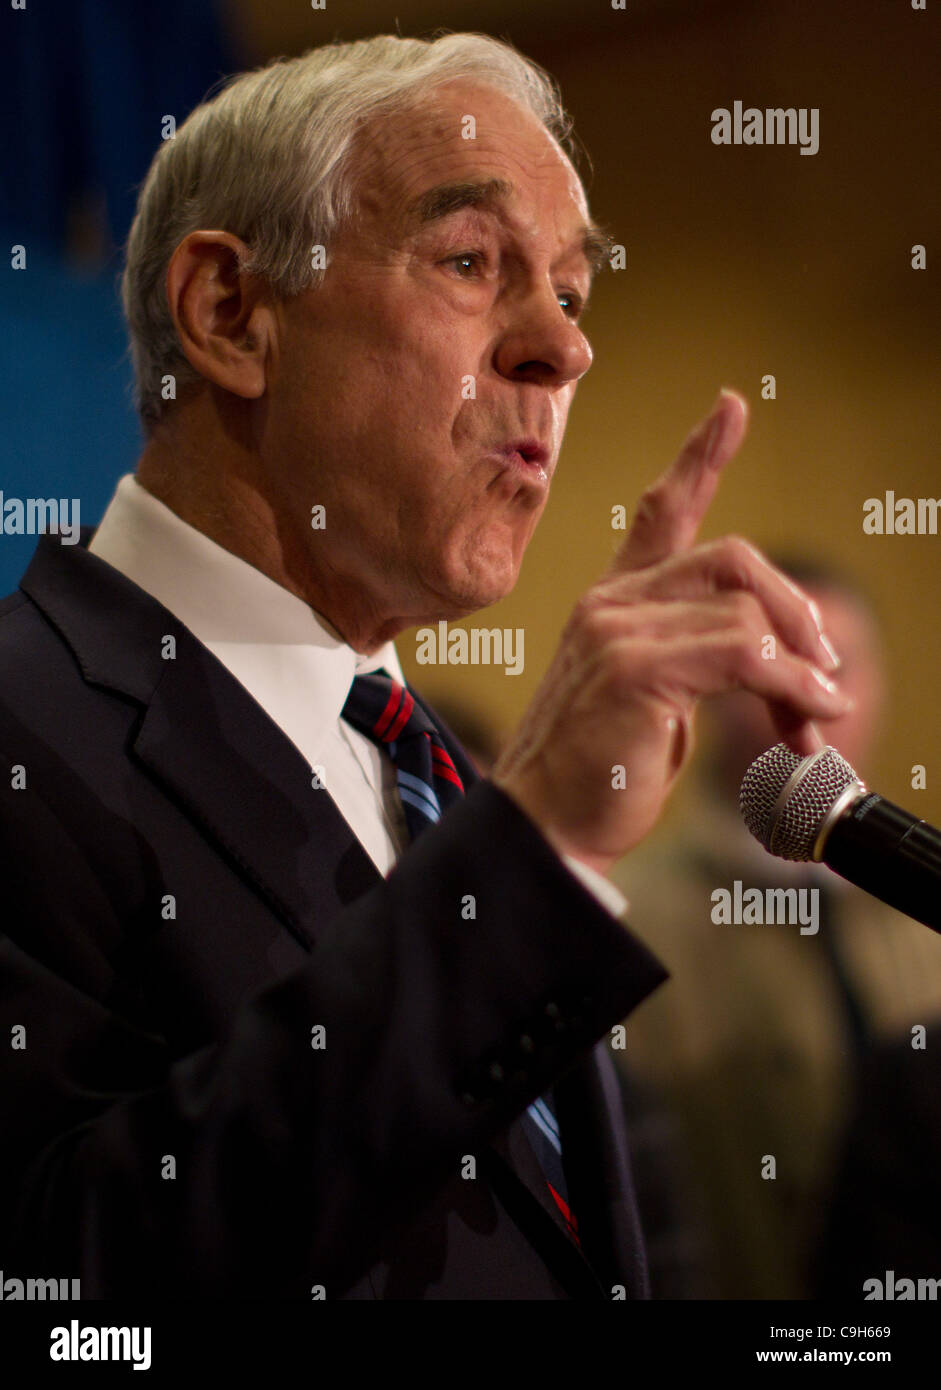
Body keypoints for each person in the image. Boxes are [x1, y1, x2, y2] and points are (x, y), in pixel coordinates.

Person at [0, 33, 851, 1300]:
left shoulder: (430, 767)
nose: (563, 353)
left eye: (569, 292)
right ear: (231, 314)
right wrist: (536, 852)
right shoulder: (30, 728)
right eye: (469, 262)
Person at [610, 559, 941, 1297]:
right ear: (714, 692)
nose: (811, 696)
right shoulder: (627, 923)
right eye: (774, 665)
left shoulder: (923, 916)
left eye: (835, 666)